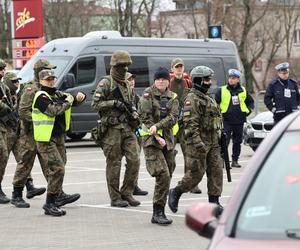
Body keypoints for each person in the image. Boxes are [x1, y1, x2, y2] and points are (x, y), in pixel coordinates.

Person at [11, 59, 80, 208]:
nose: (52, 76)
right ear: (40, 71)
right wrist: (37, 120)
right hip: (31, 132)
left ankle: (57, 194)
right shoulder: (31, 89)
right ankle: (16, 194)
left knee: (52, 165)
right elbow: (22, 112)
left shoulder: (50, 89)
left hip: (48, 132)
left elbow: (63, 101)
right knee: (25, 162)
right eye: (48, 70)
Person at [168, 65, 223, 214]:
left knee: (216, 172)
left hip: (213, 142)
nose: (209, 82)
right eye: (206, 79)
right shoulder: (191, 99)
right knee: (196, 174)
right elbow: (190, 124)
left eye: (209, 79)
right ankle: (176, 191)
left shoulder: (207, 97)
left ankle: (214, 203)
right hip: (198, 143)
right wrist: (198, 143)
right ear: (198, 80)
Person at [32, 69, 86, 216]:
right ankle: (50, 203)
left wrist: (81, 97)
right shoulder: (40, 96)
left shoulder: (56, 94)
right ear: (41, 80)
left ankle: (57, 196)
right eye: (47, 79)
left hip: (59, 137)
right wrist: (68, 102)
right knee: (58, 168)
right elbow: (53, 110)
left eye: (52, 78)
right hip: (46, 139)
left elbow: (72, 99)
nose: (50, 81)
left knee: (61, 165)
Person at [91, 50, 141, 208]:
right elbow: (95, 104)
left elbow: (132, 102)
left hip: (127, 127)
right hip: (112, 129)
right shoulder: (106, 83)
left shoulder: (127, 83)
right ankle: (115, 197)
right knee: (114, 163)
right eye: (122, 66)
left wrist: (133, 112)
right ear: (114, 66)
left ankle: (127, 192)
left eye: (127, 66)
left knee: (135, 160)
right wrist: (113, 103)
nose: (125, 69)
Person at [139, 67, 179, 225]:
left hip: (167, 141)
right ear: (154, 80)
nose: (161, 81)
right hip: (151, 141)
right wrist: (155, 134)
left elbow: (174, 117)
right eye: (158, 79)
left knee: (168, 173)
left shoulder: (173, 97)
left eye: (163, 79)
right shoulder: (147, 94)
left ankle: (159, 209)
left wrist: (159, 126)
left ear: (168, 81)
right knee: (163, 175)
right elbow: (144, 116)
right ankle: (158, 212)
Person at [3, 72, 47, 200]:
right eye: (13, 81)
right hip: (5, 132)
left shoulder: (16, 94)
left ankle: (29, 186)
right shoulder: (4, 94)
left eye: (17, 81)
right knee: (3, 160)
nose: (16, 83)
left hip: (16, 131)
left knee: (23, 160)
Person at [169, 58, 201, 194]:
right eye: (177, 67)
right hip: (170, 125)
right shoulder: (168, 84)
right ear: (172, 69)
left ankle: (190, 184)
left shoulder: (188, 82)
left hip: (185, 124)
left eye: (181, 67)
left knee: (189, 155)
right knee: (169, 155)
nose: (179, 69)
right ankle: (165, 184)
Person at [215, 69, 254, 168]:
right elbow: (215, 103)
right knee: (225, 141)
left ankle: (235, 160)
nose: (231, 80)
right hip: (226, 120)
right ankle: (222, 160)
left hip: (239, 120)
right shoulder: (222, 90)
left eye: (233, 78)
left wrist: (248, 111)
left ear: (238, 79)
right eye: (230, 78)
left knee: (237, 142)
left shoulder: (243, 90)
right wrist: (218, 114)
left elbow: (250, 102)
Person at [126, 72, 148, 196]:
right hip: (126, 131)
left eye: (133, 79)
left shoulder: (136, 96)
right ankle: (128, 186)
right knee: (131, 160)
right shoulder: (125, 95)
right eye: (129, 79)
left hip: (137, 130)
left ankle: (134, 185)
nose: (132, 81)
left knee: (136, 159)